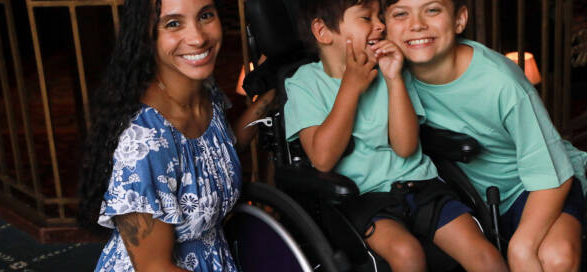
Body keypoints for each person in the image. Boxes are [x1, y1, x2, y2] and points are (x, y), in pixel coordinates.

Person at [284, 0, 507, 271]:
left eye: (380, 17)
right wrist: (350, 88)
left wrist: (394, 79)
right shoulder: (304, 84)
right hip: (366, 198)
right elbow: (322, 159)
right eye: (367, 18)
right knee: (407, 254)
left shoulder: (392, 68)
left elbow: (405, 147)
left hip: (421, 184)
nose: (381, 25)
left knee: (484, 254)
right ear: (323, 32)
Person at [381, 0, 587, 271]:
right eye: (400, 14)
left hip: (534, 186)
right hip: (466, 193)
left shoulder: (501, 82)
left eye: (432, 10)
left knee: (554, 257)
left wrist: (522, 246)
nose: (416, 24)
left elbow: (550, 170)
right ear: (383, 26)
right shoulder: (391, 75)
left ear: (459, 20)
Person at [78, 0, 274, 271]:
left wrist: (268, 99)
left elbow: (218, 153)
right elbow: (154, 267)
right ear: (147, 36)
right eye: (173, 23)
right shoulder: (144, 140)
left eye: (205, 15)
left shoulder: (203, 88)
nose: (197, 38)